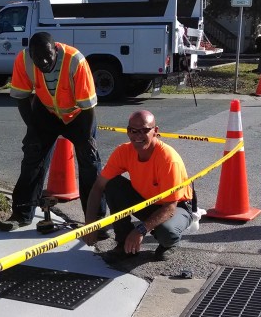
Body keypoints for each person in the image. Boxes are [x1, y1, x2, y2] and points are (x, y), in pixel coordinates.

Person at [5, 32, 106, 227]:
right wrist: (33, 130)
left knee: (90, 163)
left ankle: (95, 221)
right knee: (32, 158)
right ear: (30, 53)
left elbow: (87, 107)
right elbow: (22, 98)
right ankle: (21, 215)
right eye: (37, 57)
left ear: (56, 50)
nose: (42, 62)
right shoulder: (23, 59)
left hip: (79, 116)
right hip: (46, 111)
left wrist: (86, 140)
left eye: (47, 56)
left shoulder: (76, 61)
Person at [82, 110, 194, 261]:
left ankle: (169, 244)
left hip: (176, 206)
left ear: (155, 131)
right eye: (133, 131)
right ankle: (124, 243)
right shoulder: (123, 151)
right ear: (128, 131)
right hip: (147, 201)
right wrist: (90, 225)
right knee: (113, 185)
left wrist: (140, 230)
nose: (138, 135)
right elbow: (98, 187)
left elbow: (169, 207)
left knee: (167, 233)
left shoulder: (168, 159)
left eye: (144, 130)